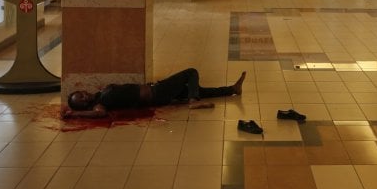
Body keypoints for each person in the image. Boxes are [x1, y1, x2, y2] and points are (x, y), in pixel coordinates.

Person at [62, 69, 246, 118]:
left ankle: (232, 90)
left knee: (198, 89)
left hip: (156, 89)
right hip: (156, 94)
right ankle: (193, 101)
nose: (84, 96)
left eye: (81, 94)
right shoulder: (100, 103)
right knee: (191, 72)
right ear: (83, 106)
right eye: (81, 100)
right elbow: (99, 113)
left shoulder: (100, 94)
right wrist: (75, 114)